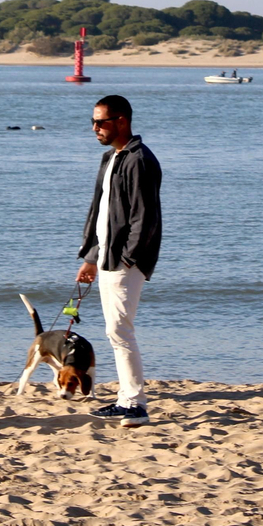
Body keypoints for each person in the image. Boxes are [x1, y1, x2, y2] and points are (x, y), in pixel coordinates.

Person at [75, 94, 162, 428]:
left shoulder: (139, 159)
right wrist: (92, 258)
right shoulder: (111, 158)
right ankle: (128, 399)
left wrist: (128, 258)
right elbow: (101, 215)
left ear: (122, 121)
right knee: (116, 332)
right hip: (107, 257)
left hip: (126, 262)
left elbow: (145, 216)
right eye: (93, 121)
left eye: (102, 122)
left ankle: (135, 405)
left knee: (120, 331)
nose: (95, 128)